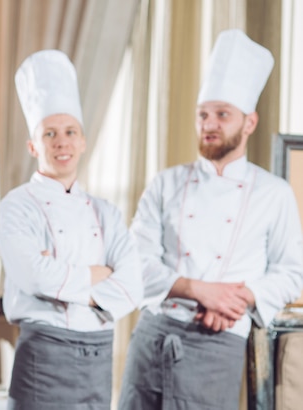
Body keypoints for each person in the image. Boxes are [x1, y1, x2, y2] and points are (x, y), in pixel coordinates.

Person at [118, 29, 303, 410]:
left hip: (219, 343)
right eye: (203, 114)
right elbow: (134, 262)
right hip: (154, 337)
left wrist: (239, 299)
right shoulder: (165, 182)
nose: (210, 124)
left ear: (249, 122)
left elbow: (292, 272)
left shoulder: (274, 193)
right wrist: (201, 291)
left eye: (222, 115)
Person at [0, 49, 143, 410]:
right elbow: (34, 277)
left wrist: (63, 277)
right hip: (44, 351)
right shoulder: (18, 204)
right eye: (50, 134)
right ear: (34, 145)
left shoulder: (106, 211)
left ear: (82, 141)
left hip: (98, 353)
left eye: (69, 132)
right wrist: (100, 274)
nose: (61, 142)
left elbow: (134, 285)